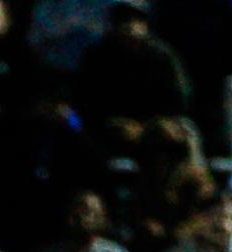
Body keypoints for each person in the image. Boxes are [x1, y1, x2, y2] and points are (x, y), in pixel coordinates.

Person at [74, 0, 192, 147]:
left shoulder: (162, 56)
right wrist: (116, 122)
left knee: (182, 133)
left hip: (156, 126)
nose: (131, 27)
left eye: (137, 19)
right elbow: (87, 100)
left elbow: (179, 97)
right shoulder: (98, 57)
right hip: (112, 128)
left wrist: (152, 123)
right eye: (124, 20)